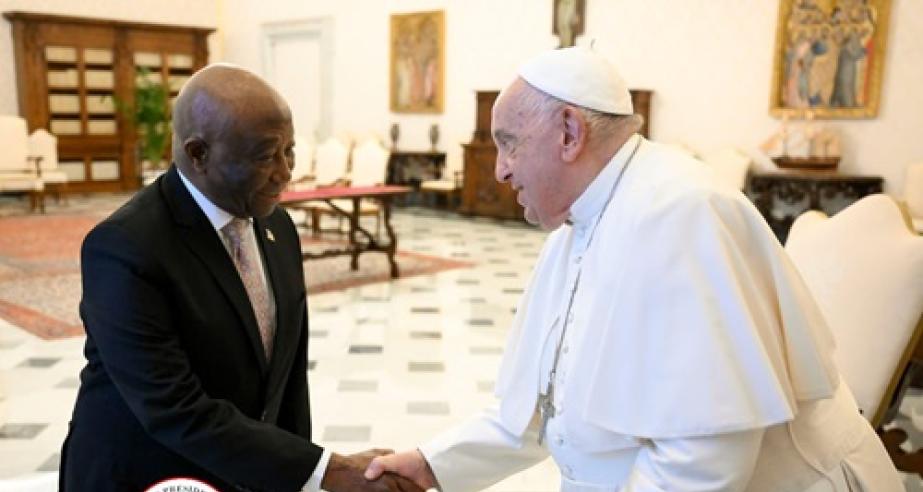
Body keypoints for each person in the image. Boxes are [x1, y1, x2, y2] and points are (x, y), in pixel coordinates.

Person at [364, 47, 903, 491]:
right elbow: (539, 410)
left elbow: (705, 459)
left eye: (509, 145)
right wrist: (432, 463)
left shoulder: (682, 213)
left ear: (569, 133)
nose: (501, 169)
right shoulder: (577, 225)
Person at [60, 64, 420, 492]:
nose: (285, 173)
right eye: (267, 156)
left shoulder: (277, 227)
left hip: (239, 473)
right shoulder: (126, 248)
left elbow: (286, 382)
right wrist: (332, 472)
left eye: (290, 151)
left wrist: (300, 475)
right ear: (198, 154)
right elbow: (175, 409)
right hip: (147, 474)